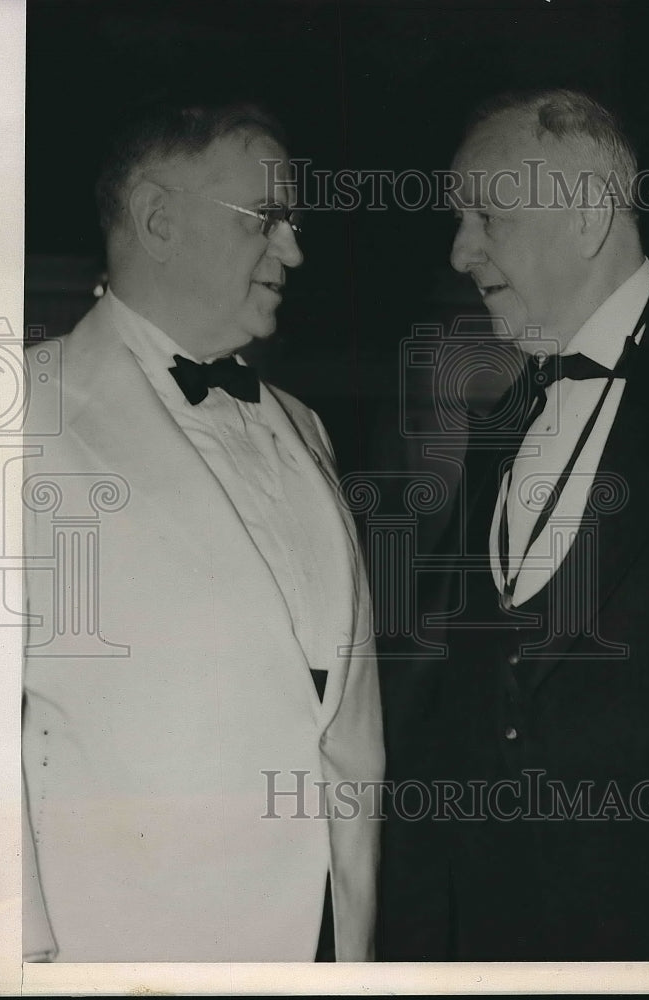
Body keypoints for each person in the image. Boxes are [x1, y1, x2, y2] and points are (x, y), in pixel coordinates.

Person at [22, 101, 384, 963]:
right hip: (120, 951)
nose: (293, 249)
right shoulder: (16, 413)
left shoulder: (304, 425)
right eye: (267, 219)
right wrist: (23, 956)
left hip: (331, 932)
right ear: (157, 220)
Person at [380, 88, 649, 960]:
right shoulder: (501, 427)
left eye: (488, 214)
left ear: (590, 214)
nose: (460, 250)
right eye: (458, 220)